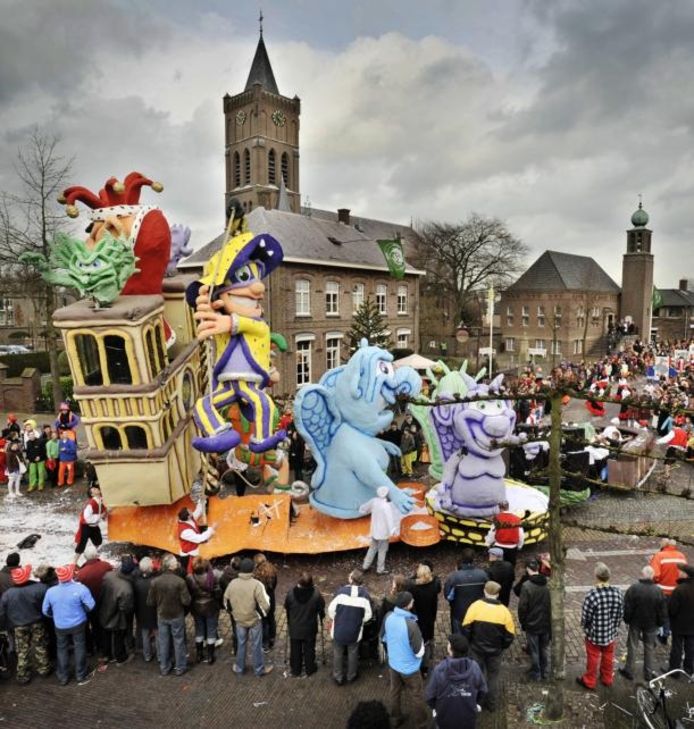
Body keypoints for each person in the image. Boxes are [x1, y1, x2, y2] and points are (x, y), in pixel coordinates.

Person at [462, 581, 515, 712]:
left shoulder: (475, 607)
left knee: (476, 675)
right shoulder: (505, 612)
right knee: (493, 677)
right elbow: (510, 636)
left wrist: (470, 642)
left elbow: (465, 628)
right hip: (495, 651)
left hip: (476, 649)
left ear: (485, 591)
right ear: (497, 594)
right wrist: (502, 646)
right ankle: (491, 704)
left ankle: (475, 701)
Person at [41, 564, 95, 686]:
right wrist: (81, 610)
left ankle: (63, 676)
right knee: (80, 647)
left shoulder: (50, 592)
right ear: (71, 575)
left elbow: (45, 610)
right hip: (78, 624)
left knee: (61, 649)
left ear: (58, 578)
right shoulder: (81, 589)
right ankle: (80, 674)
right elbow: (90, 606)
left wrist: (55, 616)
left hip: (60, 625)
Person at [381, 591, 429, 729]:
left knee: (394, 691)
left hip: (394, 664)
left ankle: (395, 719)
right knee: (416, 695)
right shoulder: (411, 624)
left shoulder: (388, 616)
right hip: (410, 669)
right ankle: (421, 723)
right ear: (407, 606)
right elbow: (419, 651)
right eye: (412, 601)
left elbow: (383, 638)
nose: (413, 602)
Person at [0, 565, 52, 684]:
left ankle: (23, 674)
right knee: (40, 646)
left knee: (22, 650)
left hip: (19, 626)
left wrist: (4, 625)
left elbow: (2, 612)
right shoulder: (40, 588)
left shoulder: (8, 594)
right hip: (37, 623)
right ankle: (44, 669)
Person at [577, 562, 624, 690]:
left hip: (595, 634)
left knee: (593, 657)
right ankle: (607, 678)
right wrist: (614, 628)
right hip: (610, 633)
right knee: (608, 656)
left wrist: (586, 629)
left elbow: (586, 617)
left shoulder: (592, 595)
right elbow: (620, 614)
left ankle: (590, 680)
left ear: (596, 576)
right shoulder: (618, 593)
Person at [425, 634, 487, 729]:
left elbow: (430, 696)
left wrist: (436, 707)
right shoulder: (475, 667)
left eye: (448, 644)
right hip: (468, 718)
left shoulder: (440, 669)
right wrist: (475, 703)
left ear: (451, 649)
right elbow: (483, 690)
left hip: (444, 718)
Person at [223, 557, 272, 676]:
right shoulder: (257, 585)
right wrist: (259, 615)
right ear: (252, 570)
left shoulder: (232, 583)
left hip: (239, 620)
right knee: (256, 644)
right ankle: (259, 670)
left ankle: (239, 668)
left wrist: (234, 614)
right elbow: (265, 605)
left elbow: (226, 602)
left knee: (241, 643)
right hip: (254, 620)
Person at [619, 565, 666, 681]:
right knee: (649, 648)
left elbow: (627, 607)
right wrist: (660, 623)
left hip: (635, 622)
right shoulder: (658, 591)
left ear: (642, 574)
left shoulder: (634, 588)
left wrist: (627, 620)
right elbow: (662, 610)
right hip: (651, 624)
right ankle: (648, 673)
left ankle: (629, 670)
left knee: (632, 646)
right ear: (652, 576)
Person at [147, 554, 191, 676]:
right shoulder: (180, 582)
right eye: (176, 562)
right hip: (177, 615)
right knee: (179, 641)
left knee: (164, 641)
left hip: (162, 615)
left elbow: (150, 601)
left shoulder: (155, 582)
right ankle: (180, 667)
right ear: (172, 566)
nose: (177, 563)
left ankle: (164, 667)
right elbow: (186, 601)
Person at [327, 569, 372, 686]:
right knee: (353, 653)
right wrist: (359, 621)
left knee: (338, 653)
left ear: (351, 579)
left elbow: (331, 611)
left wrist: (337, 619)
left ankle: (338, 677)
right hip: (355, 632)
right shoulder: (365, 595)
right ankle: (351, 675)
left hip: (339, 630)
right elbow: (368, 615)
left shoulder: (340, 592)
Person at [284, 571, 326, 677]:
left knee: (295, 649)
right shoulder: (316, 594)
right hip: (309, 628)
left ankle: (296, 669)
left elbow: (287, 607)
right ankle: (310, 668)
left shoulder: (291, 593)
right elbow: (321, 607)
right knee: (309, 649)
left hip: (295, 627)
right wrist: (321, 615)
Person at [75, 544, 113, 660]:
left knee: (94, 625)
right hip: (105, 601)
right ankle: (105, 648)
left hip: (90, 605)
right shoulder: (106, 566)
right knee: (104, 625)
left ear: (85, 557)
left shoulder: (81, 573)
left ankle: (95, 647)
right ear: (96, 555)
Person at [518, 559, 552, 681]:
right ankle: (545, 671)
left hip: (532, 623)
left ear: (528, 569)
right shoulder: (548, 583)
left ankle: (536, 673)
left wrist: (523, 621)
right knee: (543, 648)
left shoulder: (526, 586)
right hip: (546, 622)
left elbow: (522, 607)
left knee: (534, 650)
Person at [98, 555, 136, 664]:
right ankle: (120, 658)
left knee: (106, 634)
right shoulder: (126, 588)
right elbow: (126, 608)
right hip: (117, 616)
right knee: (119, 637)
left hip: (104, 610)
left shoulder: (108, 575)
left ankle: (106, 655)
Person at [443, 549, 487, 634]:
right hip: (477, 612)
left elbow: (447, 595)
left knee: (459, 636)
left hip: (458, 612)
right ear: (473, 559)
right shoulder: (483, 574)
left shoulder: (453, 576)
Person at [186, 557, 221, 664]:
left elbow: (189, 593)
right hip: (210, 606)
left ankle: (199, 654)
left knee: (199, 630)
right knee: (211, 630)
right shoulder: (213, 576)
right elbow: (218, 592)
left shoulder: (189, 578)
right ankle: (210, 656)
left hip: (196, 606)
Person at [410, 563, 440, 677]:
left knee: (417, 642)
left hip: (417, 619)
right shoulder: (434, 586)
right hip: (429, 619)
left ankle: (416, 665)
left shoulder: (414, 588)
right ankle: (425, 668)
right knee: (427, 642)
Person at [360, 486, 397, 576]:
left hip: (374, 531)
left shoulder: (374, 501)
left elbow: (364, 508)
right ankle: (380, 570)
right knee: (382, 550)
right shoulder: (386, 506)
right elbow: (389, 520)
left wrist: (361, 509)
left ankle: (365, 566)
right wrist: (393, 531)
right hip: (383, 533)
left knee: (372, 548)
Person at [668, 564, 694, 675]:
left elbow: (672, 609)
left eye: (681, 571)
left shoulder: (679, 590)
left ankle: (674, 670)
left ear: (685, 575)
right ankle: (689, 668)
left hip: (679, 624)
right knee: (690, 647)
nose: (679, 572)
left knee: (677, 648)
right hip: (692, 625)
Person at [132, 556, 159, 663]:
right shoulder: (155, 581)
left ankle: (147, 655)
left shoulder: (136, 582)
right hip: (154, 611)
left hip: (141, 612)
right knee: (158, 634)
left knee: (145, 635)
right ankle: (160, 656)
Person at [177, 502, 215, 574]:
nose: (192, 511)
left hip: (194, 549)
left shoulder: (188, 518)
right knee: (192, 571)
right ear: (188, 517)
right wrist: (211, 529)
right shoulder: (184, 532)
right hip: (189, 554)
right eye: (190, 511)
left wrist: (201, 501)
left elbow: (197, 512)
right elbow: (199, 538)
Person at [485, 500, 524, 565]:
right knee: (511, 567)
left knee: (498, 566)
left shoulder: (497, 518)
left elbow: (492, 533)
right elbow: (521, 535)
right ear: (508, 507)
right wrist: (520, 545)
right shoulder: (517, 519)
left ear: (499, 508)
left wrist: (487, 543)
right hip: (512, 547)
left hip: (499, 546)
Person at [74, 484, 108, 560]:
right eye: (94, 490)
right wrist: (100, 516)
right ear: (92, 494)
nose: (96, 489)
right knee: (82, 544)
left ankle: (91, 554)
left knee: (98, 541)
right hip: (86, 526)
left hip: (94, 526)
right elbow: (87, 517)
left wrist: (104, 514)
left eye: (96, 488)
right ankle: (74, 562)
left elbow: (103, 511)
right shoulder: (91, 503)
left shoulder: (101, 500)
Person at [253, 553, 278, 652]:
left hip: (262, 600)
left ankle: (265, 644)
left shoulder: (257, 574)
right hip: (271, 597)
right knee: (271, 618)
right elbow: (275, 584)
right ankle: (272, 639)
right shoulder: (272, 570)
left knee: (264, 621)